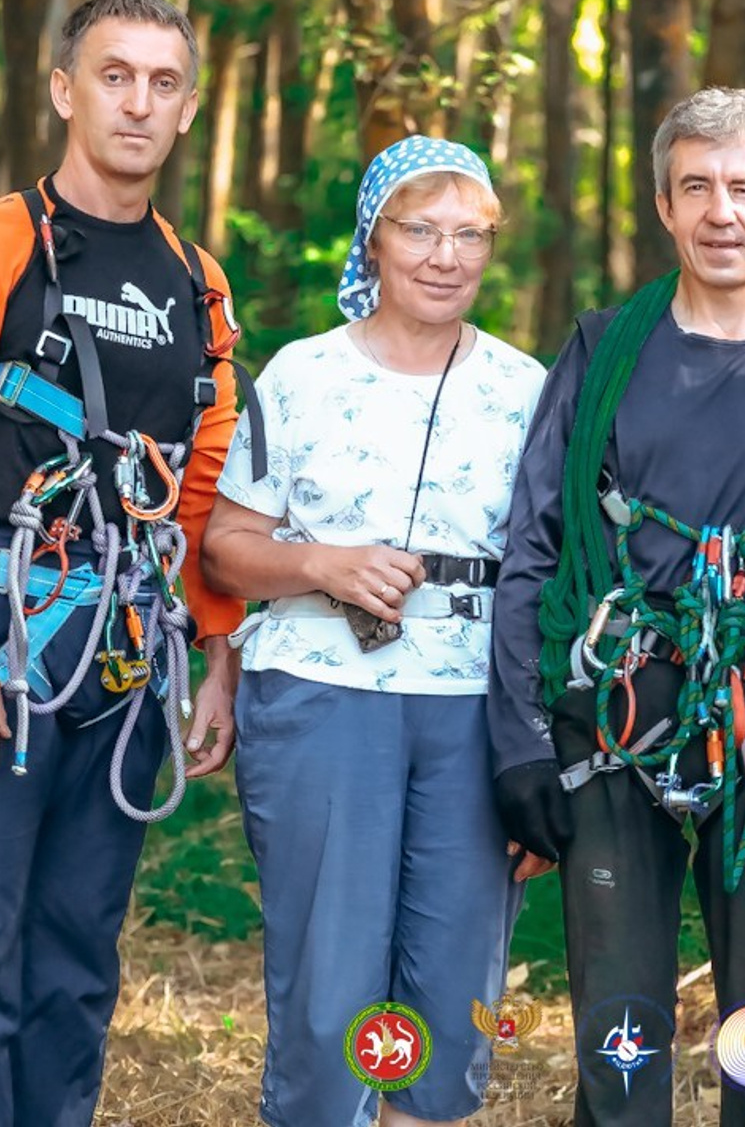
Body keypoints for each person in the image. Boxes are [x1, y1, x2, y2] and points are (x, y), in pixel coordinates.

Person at [488, 87, 745, 1126]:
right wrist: (520, 743)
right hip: (616, 719)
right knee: (619, 1037)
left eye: (744, 188)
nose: (721, 211)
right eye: (697, 187)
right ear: (666, 206)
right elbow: (534, 546)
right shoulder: (600, 351)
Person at [201, 135, 548, 1127]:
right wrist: (320, 562)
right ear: (375, 237)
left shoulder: (526, 388)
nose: (444, 255)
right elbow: (225, 544)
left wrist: (544, 753)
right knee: (330, 980)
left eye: (469, 233)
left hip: (474, 706)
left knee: (451, 985)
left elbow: (556, 578)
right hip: (319, 692)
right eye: (419, 229)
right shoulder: (302, 374)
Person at [0, 0, 246, 1125]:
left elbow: (202, 484)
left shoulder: (199, 284)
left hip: (125, 662)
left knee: (78, 945)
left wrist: (216, 652)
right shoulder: (9, 240)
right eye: (114, 74)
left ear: (187, 110)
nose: (137, 101)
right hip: (12, 640)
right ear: (64, 89)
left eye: (161, 82)